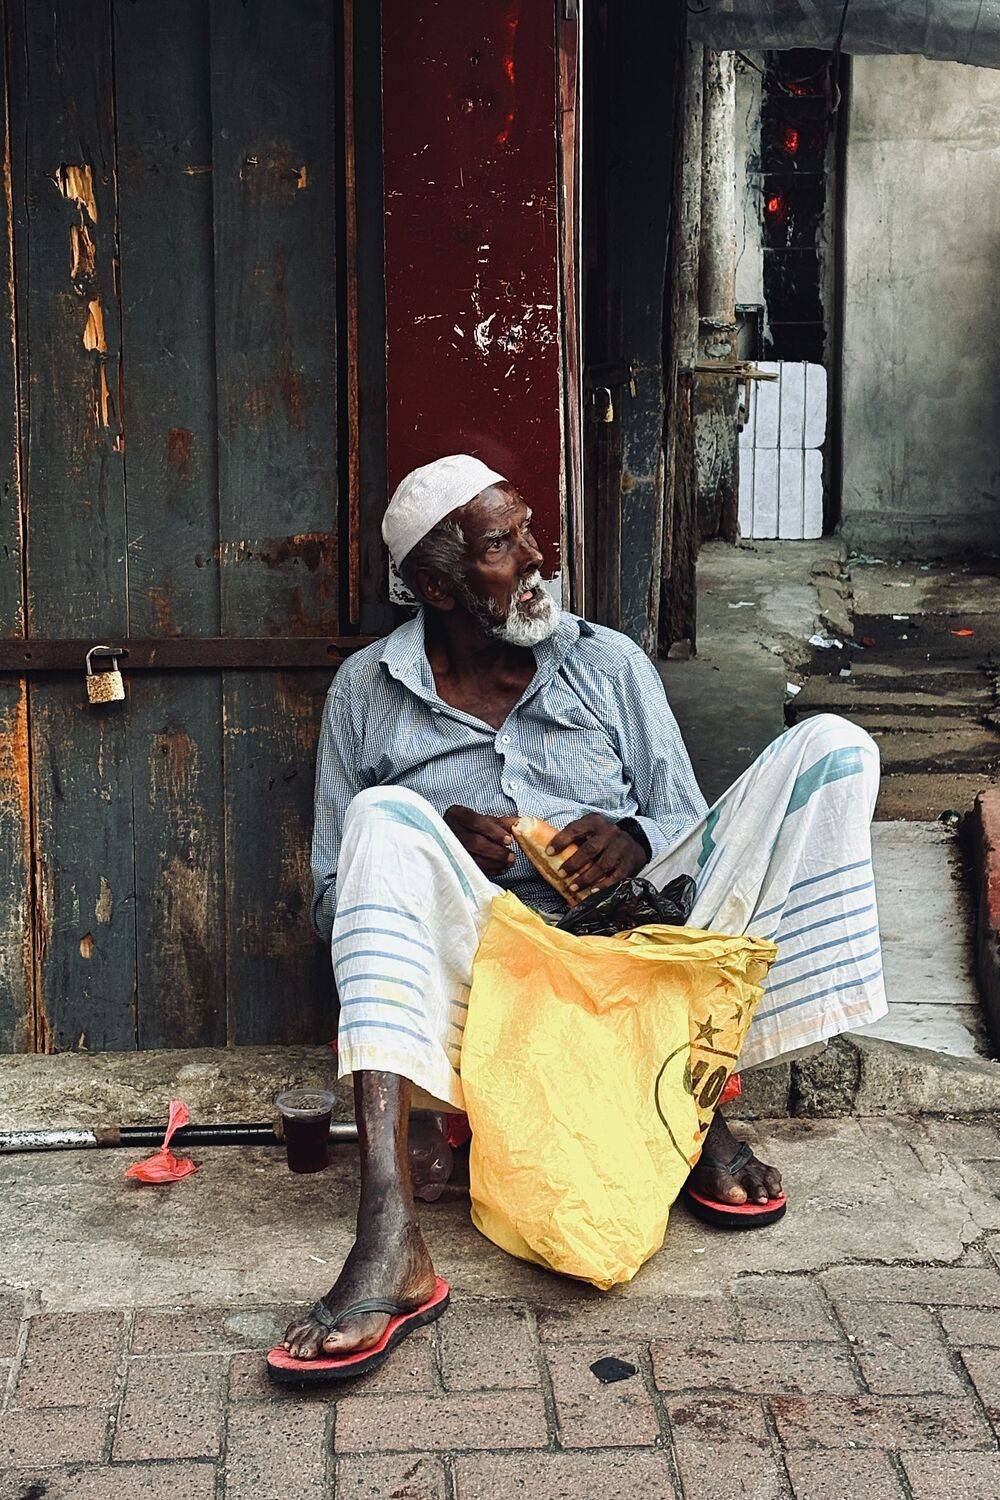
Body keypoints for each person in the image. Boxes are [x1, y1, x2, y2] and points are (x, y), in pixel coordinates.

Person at [278, 453, 887, 1368]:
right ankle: (389, 1235)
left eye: (528, 529)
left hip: (643, 945)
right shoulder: (367, 692)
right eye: (502, 544)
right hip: (490, 975)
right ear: (436, 587)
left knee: (832, 748)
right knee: (379, 818)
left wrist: (637, 837)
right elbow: (335, 901)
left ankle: (697, 1105)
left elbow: (689, 821)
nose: (536, 557)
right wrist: (437, 846)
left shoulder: (606, 662)